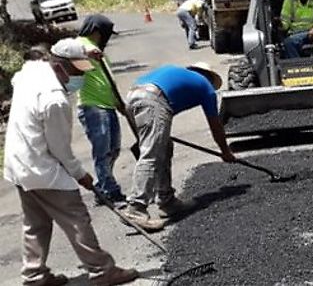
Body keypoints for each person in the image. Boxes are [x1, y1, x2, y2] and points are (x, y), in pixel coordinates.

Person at [4, 38, 138, 286]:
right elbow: (59, 149)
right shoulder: (55, 99)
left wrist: (86, 51)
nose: (79, 79)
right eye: (76, 72)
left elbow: (51, 52)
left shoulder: (30, 73)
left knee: (35, 223)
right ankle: (101, 270)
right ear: (58, 67)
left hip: (18, 163)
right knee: (76, 218)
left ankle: (34, 276)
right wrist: (80, 174)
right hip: (42, 167)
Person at [124, 62, 236, 231]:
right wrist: (225, 151)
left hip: (133, 98)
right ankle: (136, 208)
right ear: (209, 77)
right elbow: (215, 124)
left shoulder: (178, 74)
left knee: (164, 148)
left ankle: (167, 201)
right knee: (151, 154)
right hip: (153, 100)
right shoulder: (205, 86)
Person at [76, 14, 127, 206]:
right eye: (105, 34)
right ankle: (109, 191)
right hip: (92, 107)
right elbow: (73, 52)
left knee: (113, 149)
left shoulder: (100, 51)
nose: (107, 38)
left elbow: (106, 80)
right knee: (102, 151)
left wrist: (118, 103)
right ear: (96, 31)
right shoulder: (81, 45)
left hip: (108, 106)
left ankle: (102, 184)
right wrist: (88, 51)